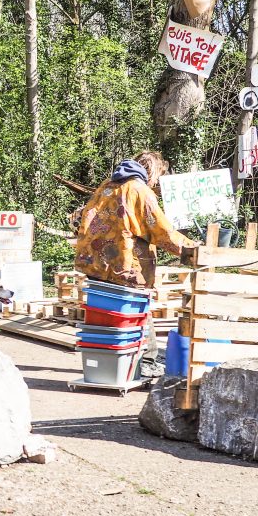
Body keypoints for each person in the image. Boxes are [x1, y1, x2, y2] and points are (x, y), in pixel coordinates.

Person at [74, 150, 197, 367]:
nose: (156, 182)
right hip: (124, 265)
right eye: (158, 176)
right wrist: (191, 250)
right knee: (137, 310)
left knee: (108, 315)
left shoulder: (107, 186)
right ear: (153, 171)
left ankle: (108, 362)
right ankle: (146, 360)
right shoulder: (139, 190)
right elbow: (161, 231)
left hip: (95, 261)